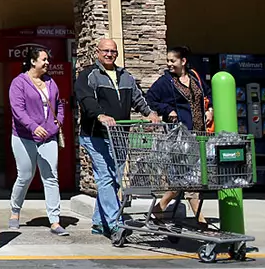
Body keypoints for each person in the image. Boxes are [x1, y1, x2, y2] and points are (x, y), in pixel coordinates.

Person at [75, 38, 162, 237]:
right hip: (96, 135)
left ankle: (99, 222)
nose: (109, 54)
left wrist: (149, 113)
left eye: (113, 51)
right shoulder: (89, 75)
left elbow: (137, 98)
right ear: (97, 52)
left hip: (120, 136)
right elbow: (86, 99)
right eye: (105, 51)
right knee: (105, 177)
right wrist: (100, 115)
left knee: (114, 179)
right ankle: (115, 223)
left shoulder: (125, 76)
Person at [146, 45, 213, 227]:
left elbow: (207, 94)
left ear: (183, 61)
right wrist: (168, 110)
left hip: (199, 134)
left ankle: (160, 209)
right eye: (168, 61)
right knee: (188, 176)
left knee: (191, 177)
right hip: (179, 137)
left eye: (172, 61)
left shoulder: (195, 77)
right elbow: (150, 98)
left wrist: (210, 110)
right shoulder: (165, 82)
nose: (169, 64)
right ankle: (200, 220)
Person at [8, 47, 69, 236]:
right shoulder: (19, 83)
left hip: (48, 136)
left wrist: (56, 125)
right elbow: (18, 110)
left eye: (47, 59)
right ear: (33, 62)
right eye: (44, 59)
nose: (47, 63)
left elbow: (59, 104)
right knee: (25, 176)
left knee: (51, 177)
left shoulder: (51, 82)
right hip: (24, 137)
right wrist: (33, 127)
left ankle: (55, 220)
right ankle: (15, 212)